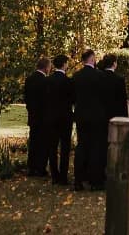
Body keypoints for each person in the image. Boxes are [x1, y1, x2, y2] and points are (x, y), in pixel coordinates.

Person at [72, 50, 105, 190]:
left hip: (81, 115)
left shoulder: (76, 76)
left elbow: (73, 97)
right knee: (95, 147)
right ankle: (95, 181)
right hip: (97, 116)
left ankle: (78, 180)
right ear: (92, 59)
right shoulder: (100, 76)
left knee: (81, 146)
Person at [44, 54, 74, 185]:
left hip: (51, 117)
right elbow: (73, 99)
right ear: (64, 64)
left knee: (52, 146)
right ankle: (63, 176)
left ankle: (54, 175)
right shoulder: (68, 81)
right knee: (65, 148)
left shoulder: (48, 81)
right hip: (65, 118)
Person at [24, 57, 51, 177]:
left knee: (33, 142)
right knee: (43, 144)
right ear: (46, 67)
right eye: (49, 67)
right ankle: (40, 168)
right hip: (44, 117)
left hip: (33, 116)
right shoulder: (46, 81)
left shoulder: (29, 79)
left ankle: (31, 167)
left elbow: (27, 98)